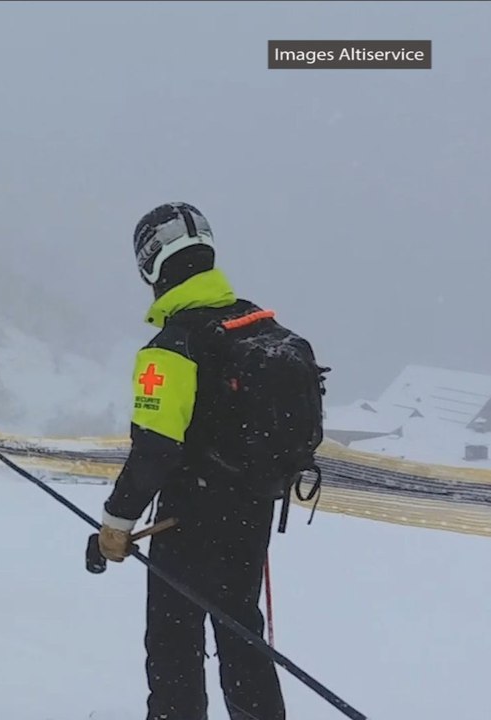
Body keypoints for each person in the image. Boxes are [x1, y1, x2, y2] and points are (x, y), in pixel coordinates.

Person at [97, 202, 325, 720]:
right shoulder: (258, 326)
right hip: (253, 508)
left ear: (149, 266)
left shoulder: (173, 346)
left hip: (186, 518)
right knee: (242, 630)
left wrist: (116, 523)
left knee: (174, 639)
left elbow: (155, 449)